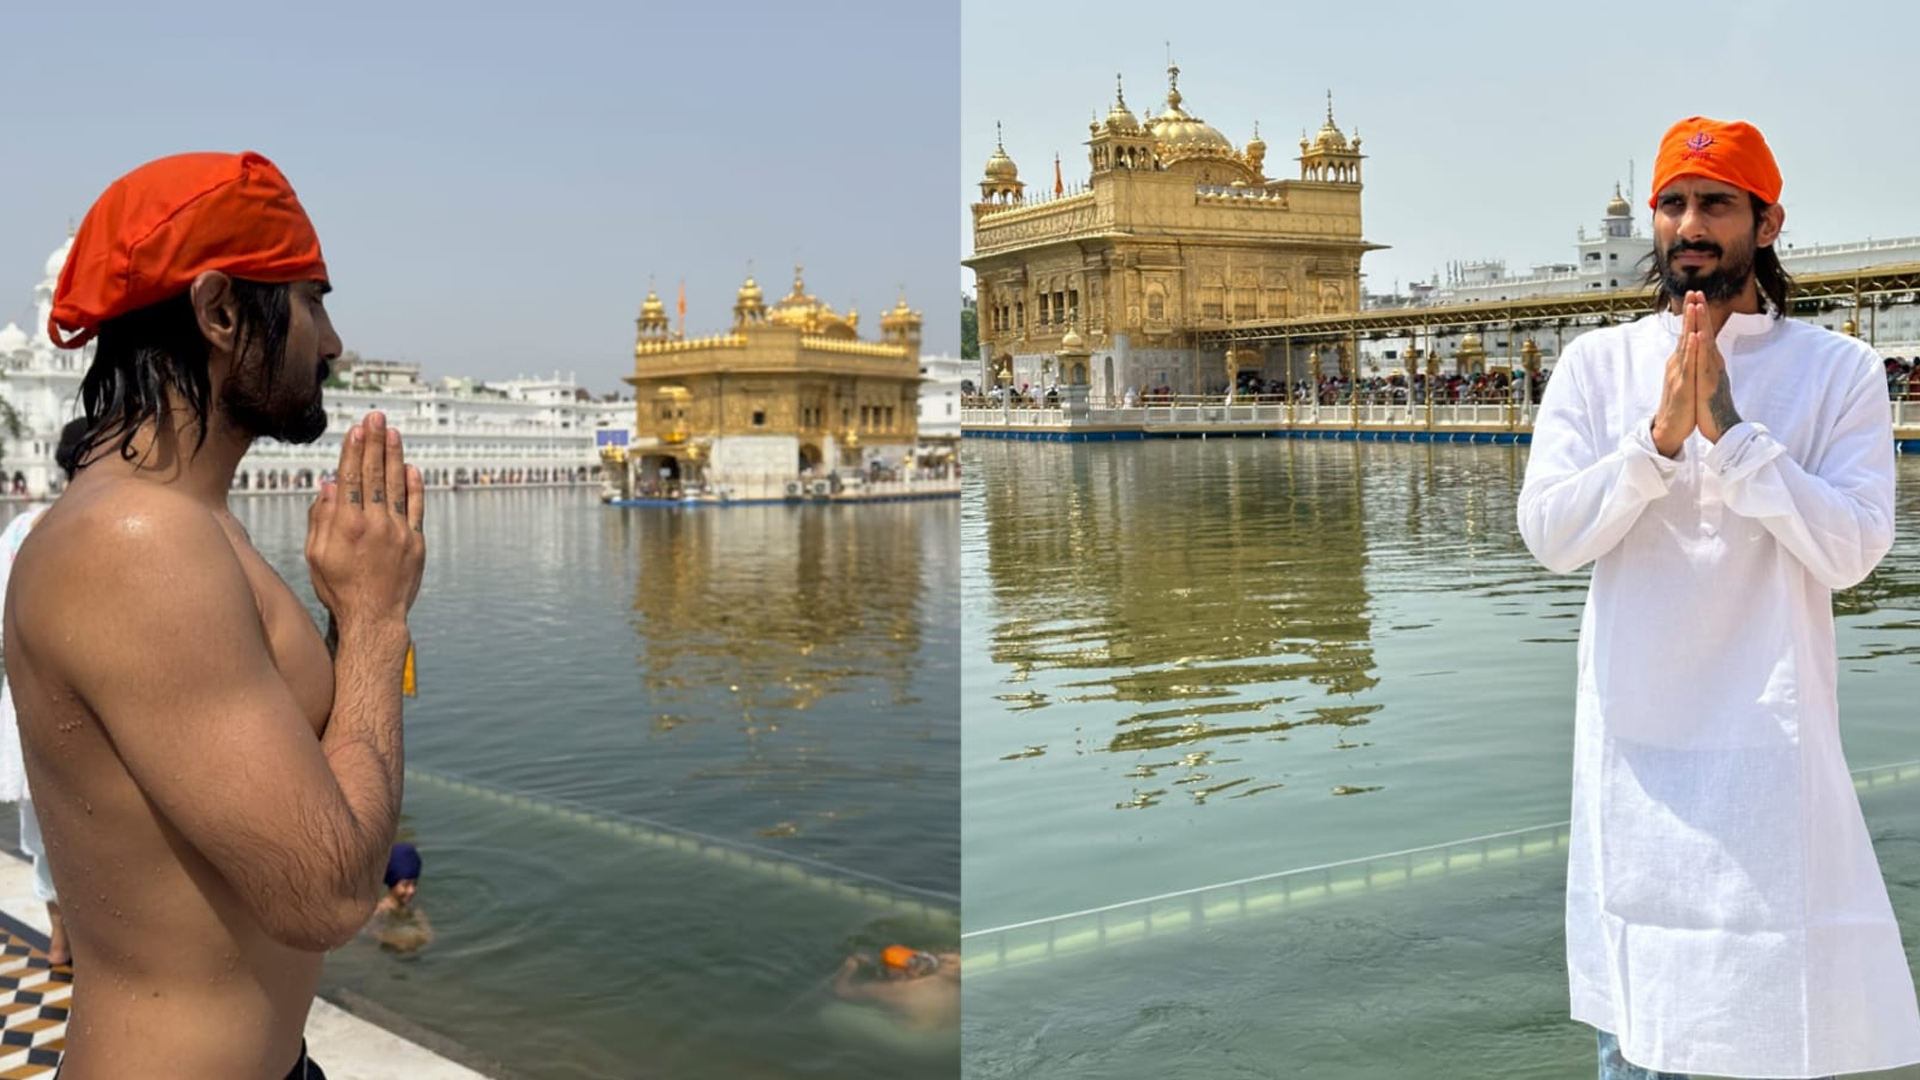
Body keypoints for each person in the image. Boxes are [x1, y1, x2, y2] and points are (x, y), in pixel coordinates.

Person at [6, 151, 425, 1080]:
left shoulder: (192, 525)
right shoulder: (134, 541)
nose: (332, 342)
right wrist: (372, 624)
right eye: (312, 300)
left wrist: (356, 628)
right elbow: (323, 895)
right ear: (222, 312)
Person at [1517, 117, 1920, 1080]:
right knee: (1647, 1031)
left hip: (1770, 762)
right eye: (1674, 203)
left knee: (1774, 1021)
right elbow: (1553, 538)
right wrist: (1655, 441)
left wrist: (1735, 434)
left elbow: (1854, 549)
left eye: (1716, 204)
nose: (1690, 225)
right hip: (1635, 762)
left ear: (1766, 220)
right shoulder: (1597, 365)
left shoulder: (1839, 373)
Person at [0, 420, 86, 966]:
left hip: (26, 696)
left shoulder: (21, 530)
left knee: (42, 830)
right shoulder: (105, 527)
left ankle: (60, 939)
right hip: (84, 706)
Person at [831, 944, 960, 1032]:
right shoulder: (945, 972)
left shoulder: (889, 990)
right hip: (948, 1027)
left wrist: (850, 965)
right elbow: (956, 957)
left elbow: (840, 992)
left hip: (918, 1036)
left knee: (833, 1015)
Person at [367, 842, 432, 954]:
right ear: (392, 883)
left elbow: (429, 934)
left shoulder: (414, 907)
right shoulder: (378, 911)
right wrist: (406, 941)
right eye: (405, 885)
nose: (412, 891)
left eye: (414, 884)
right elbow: (373, 934)